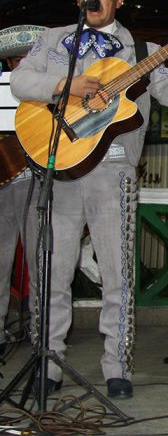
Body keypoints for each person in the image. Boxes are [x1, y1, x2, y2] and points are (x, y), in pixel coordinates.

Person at [11, 0, 168, 399]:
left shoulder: (143, 50)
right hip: (57, 170)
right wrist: (66, 85)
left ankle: (117, 365)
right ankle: (49, 363)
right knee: (52, 273)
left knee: (117, 276)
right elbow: (21, 81)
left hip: (113, 174)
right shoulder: (52, 40)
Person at [0, 25, 46, 359]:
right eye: (18, 59)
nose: (24, 64)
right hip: (4, 180)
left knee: (40, 259)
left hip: (37, 179)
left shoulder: (50, 90)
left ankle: (43, 333)